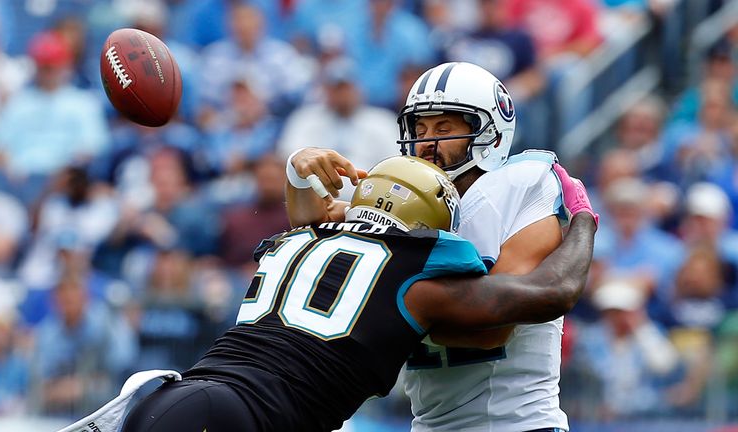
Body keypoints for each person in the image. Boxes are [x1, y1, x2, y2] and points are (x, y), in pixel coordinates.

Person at [59, 155, 597, 432]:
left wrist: (301, 169)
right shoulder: (419, 279)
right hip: (242, 419)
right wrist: (581, 218)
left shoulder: (299, 240)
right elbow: (554, 291)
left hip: (173, 399)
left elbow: (310, 211)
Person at [286, 62, 594, 431]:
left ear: (491, 134)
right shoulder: (404, 199)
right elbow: (312, 228)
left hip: (517, 423)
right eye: (420, 128)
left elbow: (491, 324)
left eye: (444, 128)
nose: (426, 142)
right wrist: (298, 172)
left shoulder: (523, 184)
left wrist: (386, 309)